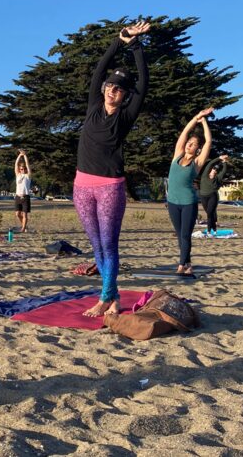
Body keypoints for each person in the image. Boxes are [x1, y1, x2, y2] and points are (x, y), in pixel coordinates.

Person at [74, 21, 150, 317]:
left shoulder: (126, 116)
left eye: (119, 90)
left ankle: (105, 296)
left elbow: (143, 83)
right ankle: (114, 295)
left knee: (108, 243)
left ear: (124, 96)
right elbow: (98, 71)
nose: (112, 91)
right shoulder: (94, 104)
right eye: (110, 86)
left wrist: (136, 46)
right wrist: (119, 41)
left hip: (109, 187)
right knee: (96, 245)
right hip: (82, 186)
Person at [167, 108, 214, 274]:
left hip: (188, 203)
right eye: (189, 142)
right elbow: (185, 132)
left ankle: (181, 265)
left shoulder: (197, 162)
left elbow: (208, 141)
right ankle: (187, 264)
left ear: (197, 149)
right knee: (180, 235)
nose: (189, 145)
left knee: (186, 235)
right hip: (172, 202)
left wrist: (204, 122)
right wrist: (196, 117)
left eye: (194, 145)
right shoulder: (177, 155)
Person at [199, 154, 229, 235]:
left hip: (213, 196)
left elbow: (224, 171)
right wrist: (219, 158)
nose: (214, 170)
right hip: (203, 196)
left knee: (209, 213)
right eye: (213, 169)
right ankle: (214, 227)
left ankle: (209, 231)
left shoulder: (217, 178)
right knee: (209, 213)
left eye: (216, 170)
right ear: (210, 170)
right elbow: (210, 164)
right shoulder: (205, 176)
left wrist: (225, 163)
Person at [14, 149, 32, 233]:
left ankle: (23, 228)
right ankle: (24, 226)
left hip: (25, 197)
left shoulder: (28, 176)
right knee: (18, 214)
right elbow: (16, 164)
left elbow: (28, 165)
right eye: (21, 169)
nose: (23, 170)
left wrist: (24, 155)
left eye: (24, 169)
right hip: (18, 196)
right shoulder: (18, 175)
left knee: (24, 214)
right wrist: (20, 155)